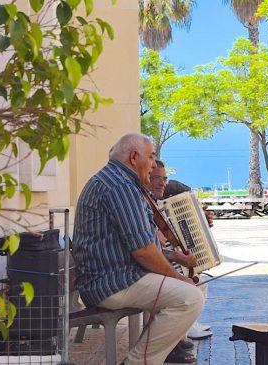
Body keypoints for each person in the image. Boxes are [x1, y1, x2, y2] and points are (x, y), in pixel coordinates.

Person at [73, 133, 204, 365]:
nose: (154, 164)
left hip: (119, 276)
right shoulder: (119, 186)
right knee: (189, 297)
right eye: (151, 157)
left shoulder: (119, 181)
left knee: (196, 287)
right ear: (134, 157)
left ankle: (163, 351)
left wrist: (175, 259)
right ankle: (138, 362)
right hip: (112, 283)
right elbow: (143, 250)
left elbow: (142, 245)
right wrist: (177, 277)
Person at [148, 160, 213, 342]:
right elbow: (156, 241)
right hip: (150, 267)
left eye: (165, 178)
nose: (162, 183)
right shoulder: (147, 204)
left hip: (162, 261)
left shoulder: (158, 203)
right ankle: (185, 329)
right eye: (156, 178)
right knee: (193, 283)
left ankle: (190, 323)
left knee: (199, 282)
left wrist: (201, 221)